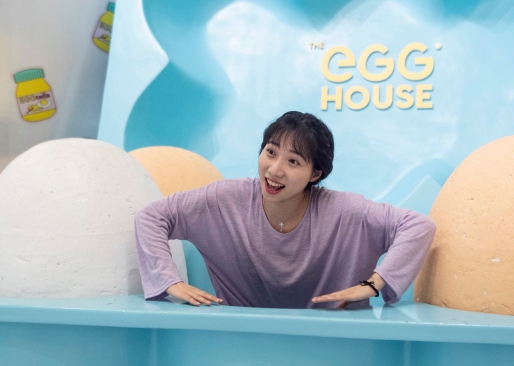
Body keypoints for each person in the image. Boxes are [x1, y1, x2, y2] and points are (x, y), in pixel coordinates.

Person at [133, 111, 436, 309]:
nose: (275, 169)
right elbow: (152, 217)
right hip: (243, 338)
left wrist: (373, 284)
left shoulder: (345, 210)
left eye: (293, 161)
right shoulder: (225, 200)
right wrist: (170, 282)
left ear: (315, 174)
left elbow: (418, 226)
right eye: (271, 152)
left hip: (332, 341)